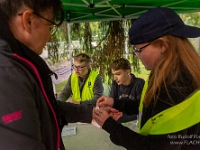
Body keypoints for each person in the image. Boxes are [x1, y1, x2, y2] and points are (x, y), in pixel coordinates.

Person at [93, 7, 200, 150]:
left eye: (139, 50)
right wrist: (116, 103)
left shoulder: (175, 87)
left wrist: (110, 125)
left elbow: (152, 147)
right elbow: (150, 106)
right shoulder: (166, 72)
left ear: (162, 45)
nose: (137, 56)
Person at [0, 0, 93, 150]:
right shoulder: (7, 72)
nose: (50, 38)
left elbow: (45, 107)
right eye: (50, 27)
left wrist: (89, 112)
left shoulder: (18, 62)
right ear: (28, 21)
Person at [109, 58, 144, 123]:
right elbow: (112, 104)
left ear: (128, 72)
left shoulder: (139, 84)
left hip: (134, 122)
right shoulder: (115, 83)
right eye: (113, 74)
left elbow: (141, 109)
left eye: (118, 74)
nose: (115, 78)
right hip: (120, 120)